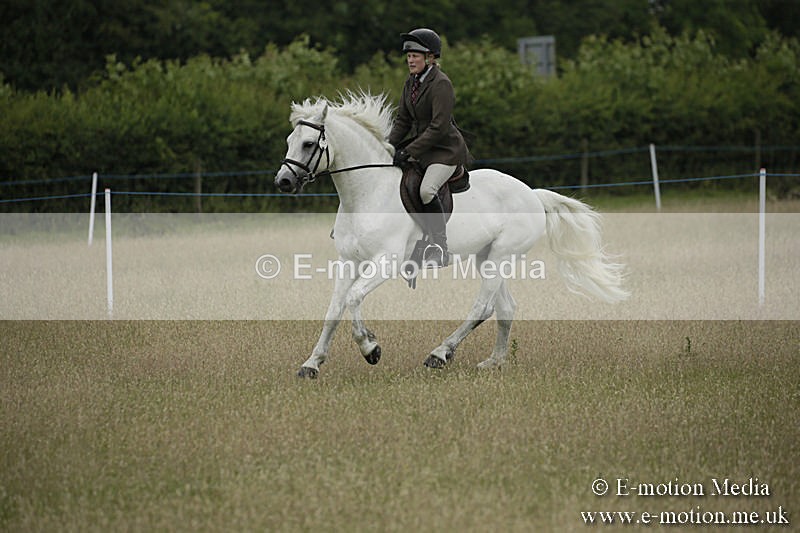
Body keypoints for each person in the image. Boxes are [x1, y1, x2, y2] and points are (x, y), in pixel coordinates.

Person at [388, 28, 470, 268]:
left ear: (430, 57)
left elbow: (438, 127)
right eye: (409, 55)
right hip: (423, 149)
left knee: (426, 191)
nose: (410, 60)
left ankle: (439, 246)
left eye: (416, 55)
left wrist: (409, 151)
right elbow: (403, 120)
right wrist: (388, 146)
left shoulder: (441, 84)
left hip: (445, 151)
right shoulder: (411, 82)